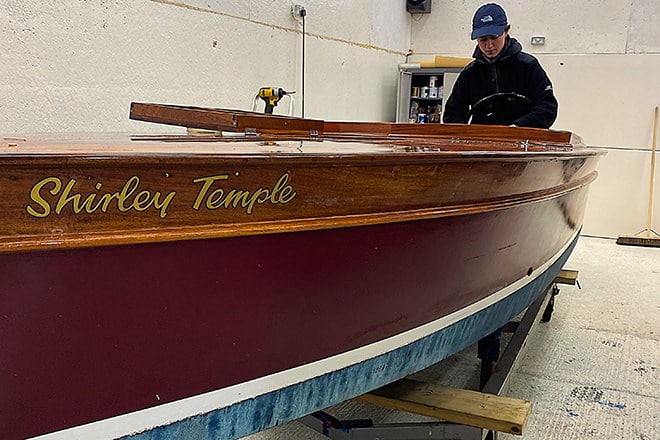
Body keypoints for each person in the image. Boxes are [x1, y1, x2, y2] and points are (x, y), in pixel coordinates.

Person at [443, 3, 558, 128]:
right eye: (483, 40)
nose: (489, 45)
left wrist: (518, 128)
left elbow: (547, 107)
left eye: (494, 37)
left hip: (524, 140)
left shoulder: (528, 66)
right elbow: (452, 114)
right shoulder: (470, 73)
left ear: (506, 31)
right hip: (482, 141)